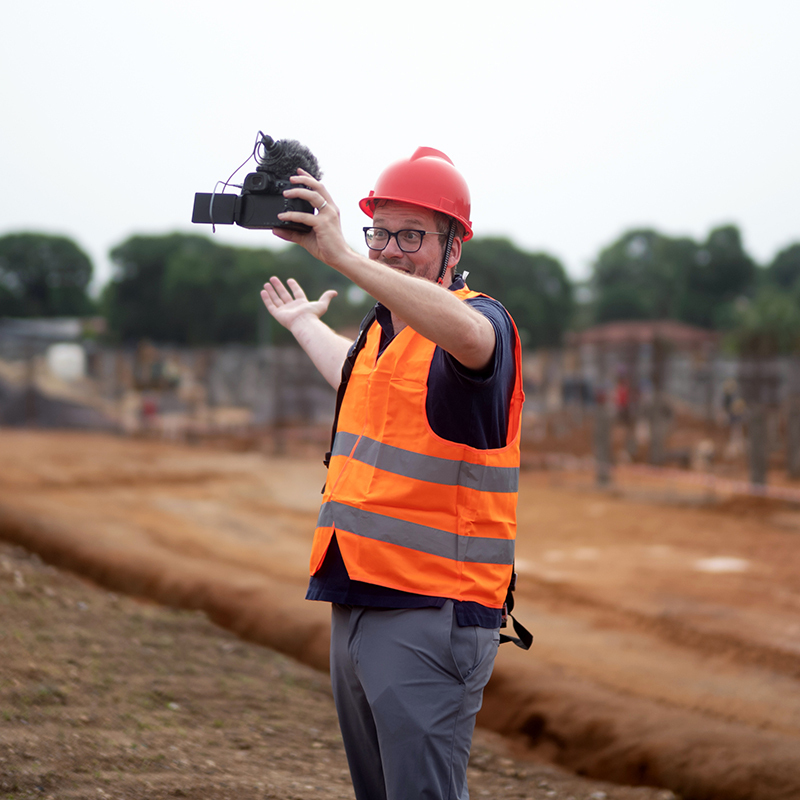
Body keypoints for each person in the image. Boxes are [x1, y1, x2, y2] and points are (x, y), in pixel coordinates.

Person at [260, 147, 525, 800]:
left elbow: (470, 338)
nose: (392, 249)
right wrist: (303, 328)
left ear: (454, 246)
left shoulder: (482, 323)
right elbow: (357, 380)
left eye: (413, 235)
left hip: (431, 609)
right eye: (383, 233)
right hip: (356, 595)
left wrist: (346, 258)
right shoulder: (382, 333)